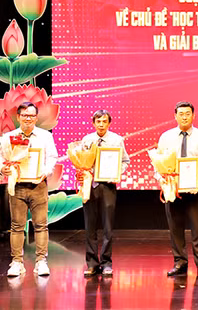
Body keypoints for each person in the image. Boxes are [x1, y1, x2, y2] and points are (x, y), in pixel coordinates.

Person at [0, 102, 59, 277]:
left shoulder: (45, 136)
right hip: (17, 185)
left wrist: (45, 173)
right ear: (19, 117)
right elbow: (1, 158)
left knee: (41, 225)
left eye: (32, 116)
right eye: (25, 115)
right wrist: (3, 169)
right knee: (16, 226)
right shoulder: (9, 136)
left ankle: (41, 261)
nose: (28, 119)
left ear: (36, 118)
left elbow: (52, 157)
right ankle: (17, 262)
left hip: (38, 185)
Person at [156, 101, 198, 277]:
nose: (184, 116)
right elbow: (158, 163)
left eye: (188, 113)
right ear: (175, 116)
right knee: (175, 227)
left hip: (195, 190)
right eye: (181, 113)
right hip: (173, 190)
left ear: (193, 115)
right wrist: (163, 181)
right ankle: (179, 262)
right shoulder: (166, 137)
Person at [79, 109, 130, 277]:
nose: (101, 125)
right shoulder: (87, 140)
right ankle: (92, 263)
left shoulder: (116, 140)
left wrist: (116, 173)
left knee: (108, 227)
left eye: (104, 121)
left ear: (109, 123)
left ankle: (106, 263)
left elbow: (125, 161)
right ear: (93, 123)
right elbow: (80, 161)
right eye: (98, 121)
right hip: (90, 186)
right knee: (90, 226)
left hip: (108, 186)